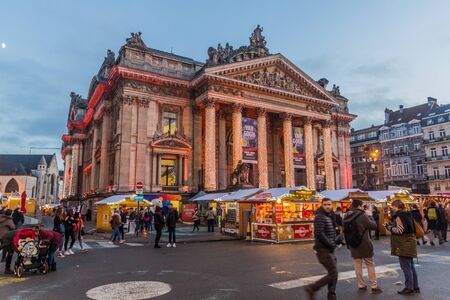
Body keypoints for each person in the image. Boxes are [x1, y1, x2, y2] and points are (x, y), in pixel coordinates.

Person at [343, 199, 382, 294]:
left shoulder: (346, 215)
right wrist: (370, 216)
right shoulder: (362, 215)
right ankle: (374, 286)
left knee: (357, 264)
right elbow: (374, 226)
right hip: (364, 243)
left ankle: (361, 284)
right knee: (370, 264)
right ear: (359, 206)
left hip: (353, 244)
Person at [304, 198, 338, 300]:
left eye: (329, 204)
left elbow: (329, 231)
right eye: (325, 205)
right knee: (333, 273)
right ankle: (313, 287)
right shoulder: (320, 216)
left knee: (333, 274)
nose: (328, 206)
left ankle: (331, 295)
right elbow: (319, 233)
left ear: (332, 205)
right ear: (321, 205)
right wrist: (331, 244)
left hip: (329, 249)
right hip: (323, 250)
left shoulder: (329, 216)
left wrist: (335, 240)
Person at [385, 199, 419, 295]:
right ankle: (415, 286)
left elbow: (400, 230)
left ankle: (409, 288)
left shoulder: (399, 216)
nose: (392, 208)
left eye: (392, 207)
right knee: (411, 266)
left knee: (406, 266)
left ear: (396, 206)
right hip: (410, 242)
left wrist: (389, 228)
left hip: (404, 243)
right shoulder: (408, 214)